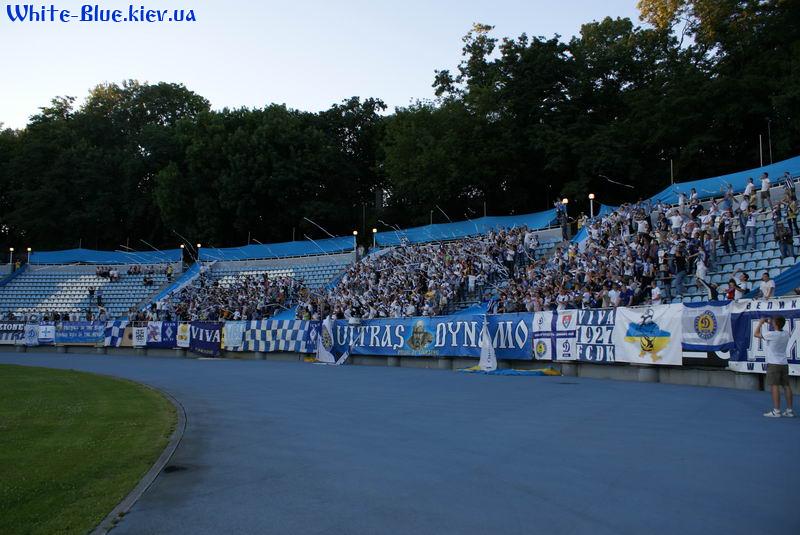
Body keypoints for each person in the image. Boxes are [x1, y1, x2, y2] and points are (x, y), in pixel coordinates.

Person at [754, 316, 794, 418]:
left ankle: (776, 411)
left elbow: (756, 334)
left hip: (774, 364)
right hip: (784, 364)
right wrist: (770, 322)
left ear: (775, 324)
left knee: (774, 386)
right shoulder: (786, 334)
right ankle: (789, 410)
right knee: (786, 386)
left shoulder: (771, 334)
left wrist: (760, 323)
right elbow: (778, 326)